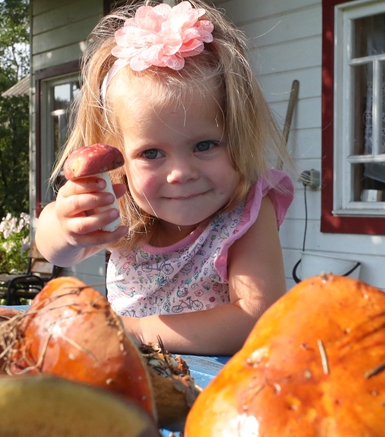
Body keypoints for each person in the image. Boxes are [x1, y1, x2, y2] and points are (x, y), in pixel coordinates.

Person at [35, 1, 295, 355]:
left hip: (215, 390)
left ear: (238, 136)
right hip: (127, 377)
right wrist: (65, 228)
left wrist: (141, 331)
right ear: (119, 160)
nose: (181, 173)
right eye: (151, 154)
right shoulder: (123, 203)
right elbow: (56, 251)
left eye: (205, 145)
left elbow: (257, 316)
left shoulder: (246, 211)